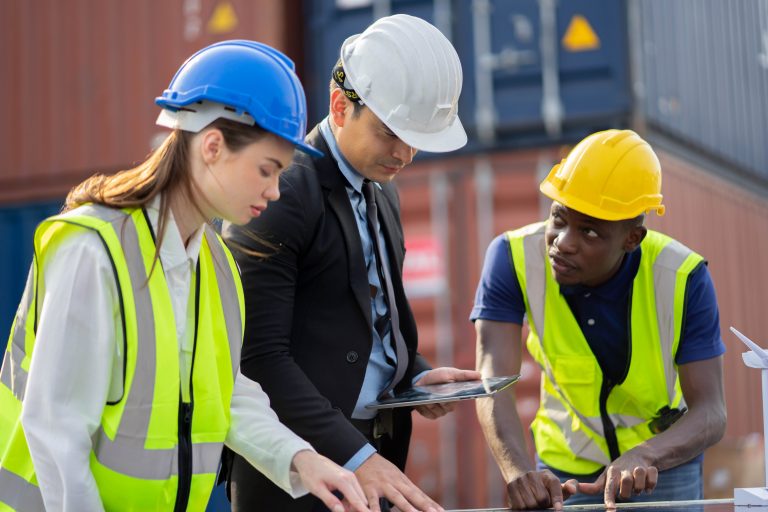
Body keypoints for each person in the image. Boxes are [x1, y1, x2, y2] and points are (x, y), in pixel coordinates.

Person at [0, 40, 371, 512]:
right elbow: (55, 430)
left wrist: (301, 458)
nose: (276, 191)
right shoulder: (93, 250)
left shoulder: (215, 266)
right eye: (266, 169)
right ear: (213, 146)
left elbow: (225, 393)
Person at [222, 14, 480, 512]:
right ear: (341, 107)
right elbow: (256, 358)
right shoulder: (281, 192)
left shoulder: (382, 193)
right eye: (390, 134)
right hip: (294, 477)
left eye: (416, 138)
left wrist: (415, 379)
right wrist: (356, 455)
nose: (405, 154)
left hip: (369, 459)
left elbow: (373, 328)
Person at [472, 129, 727, 510]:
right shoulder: (511, 257)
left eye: (589, 231)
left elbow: (711, 412)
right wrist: (517, 471)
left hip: (663, 468)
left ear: (632, 238)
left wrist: (646, 455)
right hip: (565, 473)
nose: (563, 241)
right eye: (559, 218)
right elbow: (494, 382)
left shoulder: (682, 276)